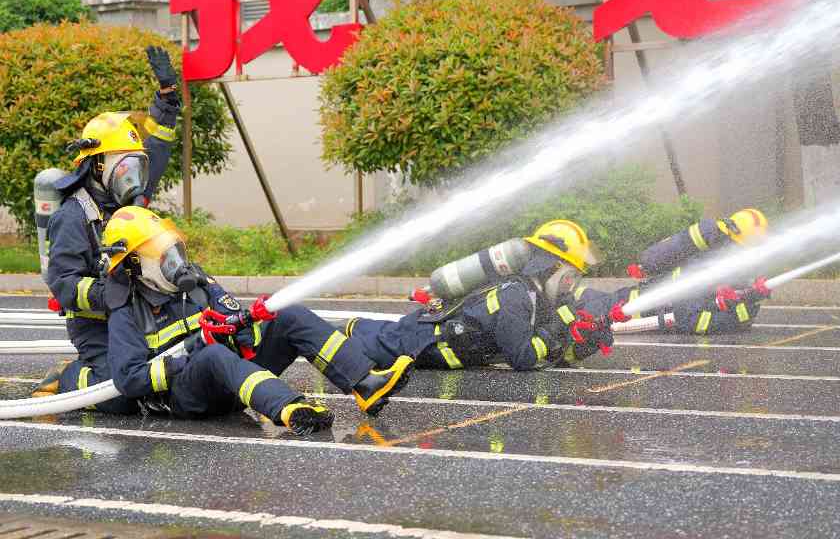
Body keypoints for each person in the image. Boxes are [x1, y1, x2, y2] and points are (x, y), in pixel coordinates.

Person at [95, 207, 414, 434]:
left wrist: (241, 330)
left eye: (174, 251)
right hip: (188, 397)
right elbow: (128, 379)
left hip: (236, 380)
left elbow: (231, 314)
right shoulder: (126, 311)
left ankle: (366, 383)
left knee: (289, 314)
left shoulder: (198, 282)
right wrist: (186, 360)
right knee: (212, 355)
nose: (175, 263)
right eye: (163, 257)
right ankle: (290, 409)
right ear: (135, 264)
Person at [32, 47, 182, 412]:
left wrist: (167, 98)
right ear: (98, 165)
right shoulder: (73, 216)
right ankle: (69, 376)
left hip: (136, 319)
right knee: (120, 397)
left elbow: (158, 147)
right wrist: (110, 292)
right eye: (125, 169)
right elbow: (64, 285)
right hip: (96, 328)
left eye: (137, 169)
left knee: (164, 378)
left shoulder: (129, 202)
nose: (135, 179)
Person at [344, 220, 627, 371]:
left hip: (426, 342)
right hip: (419, 343)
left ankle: (341, 331)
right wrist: (560, 323)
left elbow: (553, 355)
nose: (570, 285)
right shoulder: (517, 295)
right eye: (569, 276)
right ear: (549, 267)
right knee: (350, 348)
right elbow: (523, 358)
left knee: (363, 335)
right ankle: (322, 336)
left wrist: (586, 342)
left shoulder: (539, 298)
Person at [578, 208, 771, 335]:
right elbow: (693, 321)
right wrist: (729, 307)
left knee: (592, 302)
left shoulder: (732, 272)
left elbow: (739, 320)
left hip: (646, 299)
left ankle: (574, 298)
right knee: (586, 313)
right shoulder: (705, 271)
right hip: (640, 307)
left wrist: (750, 298)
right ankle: (570, 301)